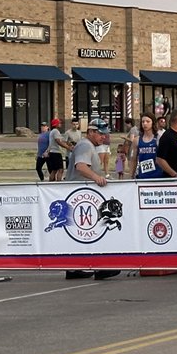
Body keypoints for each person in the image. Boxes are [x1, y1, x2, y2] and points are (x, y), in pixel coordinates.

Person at [64, 120, 121, 281]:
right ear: (90, 132)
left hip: (81, 197)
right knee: (93, 230)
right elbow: (81, 166)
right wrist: (97, 178)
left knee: (84, 232)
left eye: (105, 134)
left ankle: (75, 269)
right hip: (80, 197)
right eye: (100, 134)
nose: (103, 137)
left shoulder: (88, 146)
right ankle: (99, 267)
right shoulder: (85, 145)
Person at [46, 117, 67, 181]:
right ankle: (58, 183)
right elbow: (58, 141)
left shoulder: (53, 132)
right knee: (60, 169)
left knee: (54, 170)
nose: (60, 124)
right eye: (59, 123)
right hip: (56, 152)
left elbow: (62, 140)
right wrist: (67, 147)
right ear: (56, 124)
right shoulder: (55, 131)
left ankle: (51, 182)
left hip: (52, 152)